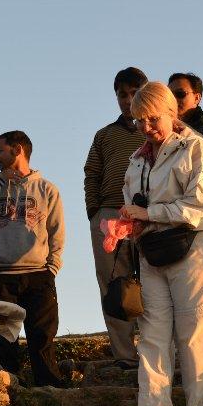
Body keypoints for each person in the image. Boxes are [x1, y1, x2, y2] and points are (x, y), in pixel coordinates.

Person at [119, 82, 203, 406]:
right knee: (152, 339)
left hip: (195, 247)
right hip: (151, 251)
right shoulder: (136, 160)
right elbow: (133, 204)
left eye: (153, 118)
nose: (146, 127)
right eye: (139, 120)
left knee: (197, 337)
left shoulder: (196, 147)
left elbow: (200, 203)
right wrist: (127, 224)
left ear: (171, 112)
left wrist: (148, 213)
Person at [0, 130, 66, 387]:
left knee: (42, 335)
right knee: (2, 339)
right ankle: (10, 389)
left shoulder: (47, 189)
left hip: (38, 274)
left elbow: (57, 232)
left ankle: (49, 391)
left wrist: (52, 267)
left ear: (18, 150)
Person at [84, 67, 148, 369]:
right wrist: (94, 211)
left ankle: (155, 351)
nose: (128, 100)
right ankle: (125, 355)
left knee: (154, 283)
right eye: (123, 94)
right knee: (113, 285)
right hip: (109, 215)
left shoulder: (157, 130)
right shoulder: (104, 135)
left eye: (135, 93)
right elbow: (91, 173)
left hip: (150, 215)